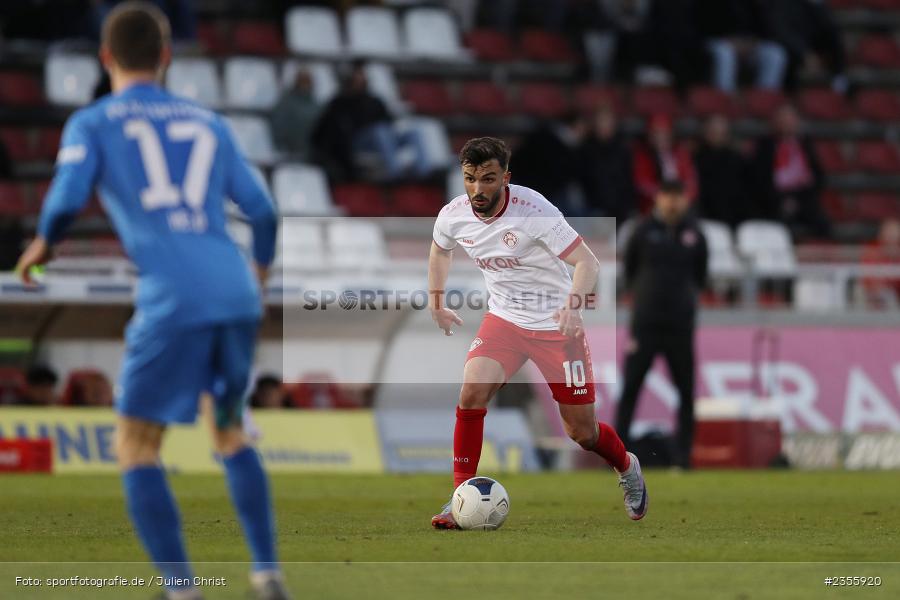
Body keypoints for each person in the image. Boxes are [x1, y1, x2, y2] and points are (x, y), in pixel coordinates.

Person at [14, 4, 288, 599]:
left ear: (105, 57)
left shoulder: (93, 122)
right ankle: (268, 574)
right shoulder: (209, 121)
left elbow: (63, 205)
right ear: (166, 57)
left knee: (135, 444)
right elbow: (263, 211)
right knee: (231, 431)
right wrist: (259, 278)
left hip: (174, 295)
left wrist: (41, 245)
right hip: (235, 289)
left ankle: (182, 589)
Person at [428, 137, 648, 529]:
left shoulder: (534, 211)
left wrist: (573, 305)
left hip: (555, 326)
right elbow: (440, 248)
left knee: (582, 432)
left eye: (488, 179)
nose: (478, 189)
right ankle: (460, 499)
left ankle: (627, 466)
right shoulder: (453, 215)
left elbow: (588, 263)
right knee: (471, 392)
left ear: (506, 178)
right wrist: (436, 299)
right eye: (470, 179)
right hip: (505, 321)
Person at [615, 179, 708, 469]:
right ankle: (618, 456)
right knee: (631, 388)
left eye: (677, 197)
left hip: (680, 326)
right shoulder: (642, 231)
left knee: (686, 391)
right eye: (667, 196)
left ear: (685, 200)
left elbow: (700, 276)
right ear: (658, 198)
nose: (672, 203)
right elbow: (629, 271)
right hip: (646, 325)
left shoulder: (695, 234)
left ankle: (683, 457)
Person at [312, 61, 429, 182]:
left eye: (362, 77)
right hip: (358, 142)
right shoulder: (340, 101)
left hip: (382, 139)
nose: (360, 80)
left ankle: (424, 171)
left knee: (414, 132)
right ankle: (395, 172)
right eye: (357, 77)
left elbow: (387, 120)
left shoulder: (374, 100)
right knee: (380, 131)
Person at [751, 103, 831, 239]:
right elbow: (760, 180)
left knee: (823, 224)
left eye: (790, 119)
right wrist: (780, 200)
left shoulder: (805, 144)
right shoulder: (765, 146)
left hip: (803, 199)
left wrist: (799, 200)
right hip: (775, 201)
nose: (786, 123)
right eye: (782, 119)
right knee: (781, 225)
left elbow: (818, 177)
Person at [695, 0, 787, 93]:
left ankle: (764, 100)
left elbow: (765, 29)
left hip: (747, 43)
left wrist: (752, 42)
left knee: (774, 54)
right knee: (725, 53)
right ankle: (725, 99)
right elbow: (702, 24)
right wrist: (729, 41)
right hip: (715, 41)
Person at [579, 102, 636, 221]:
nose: (605, 125)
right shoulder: (586, 149)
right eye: (601, 121)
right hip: (594, 210)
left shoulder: (623, 148)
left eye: (608, 121)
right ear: (594, 123)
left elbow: (628, 180)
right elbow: (584, 182)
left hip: (621, 209)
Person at [694, 113, 751, 229]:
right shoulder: (696, 158)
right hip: (705, 215)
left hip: (736, 216)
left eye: (721, 132)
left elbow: (745, 190)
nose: (717, 135)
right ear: (705, 133)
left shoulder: (737, 159)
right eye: (713, 131)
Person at [633, 113, 698, 214]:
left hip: (682, 207)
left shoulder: (681, 154)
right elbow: (642, 185)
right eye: (656, 134)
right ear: (649, 136)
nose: (661, 138)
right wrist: (666, 199)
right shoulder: (642, 156)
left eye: (664, 133)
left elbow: (691, 182)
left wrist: (681, 199)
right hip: (652, 209)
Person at [270, 68, 320, 160]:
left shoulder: (316, 105)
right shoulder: (285, 103)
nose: (305, 84)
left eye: (307, 80)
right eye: (302, 80)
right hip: (290, 153)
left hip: (311, 154)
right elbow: (279, 128)